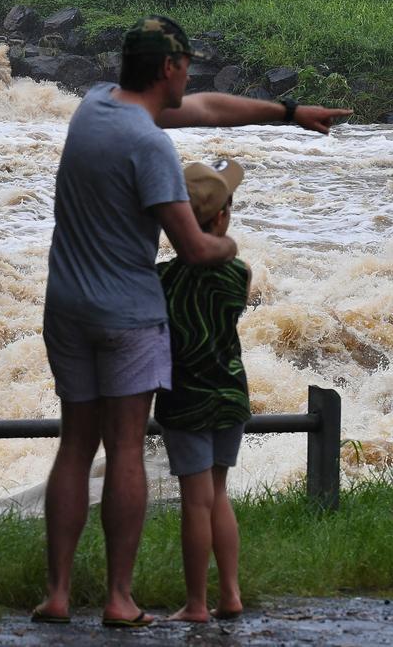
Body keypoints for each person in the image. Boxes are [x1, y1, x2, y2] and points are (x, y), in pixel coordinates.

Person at [31, 15, 348, 628]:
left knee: (75, 446)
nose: (191, 77)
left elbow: (208, 109)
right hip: (126, 314)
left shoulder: (94, 107)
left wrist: (287, 112)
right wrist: (235, 248)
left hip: (66, 305)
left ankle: (58, 594)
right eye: (187, 66)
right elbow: (196, 248)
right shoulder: (150, 146)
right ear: (169, 69)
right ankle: (121, 599)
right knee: (124, 446)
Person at [156, 159, 251, 623]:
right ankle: (230, 594)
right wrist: (226, 245)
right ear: (222, 217)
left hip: (185, 396)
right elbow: (228, 264)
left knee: (196, 500)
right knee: (219, 493)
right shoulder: (239, 275)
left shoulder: (163, 280)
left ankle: (196, 604)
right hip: (230, 392)